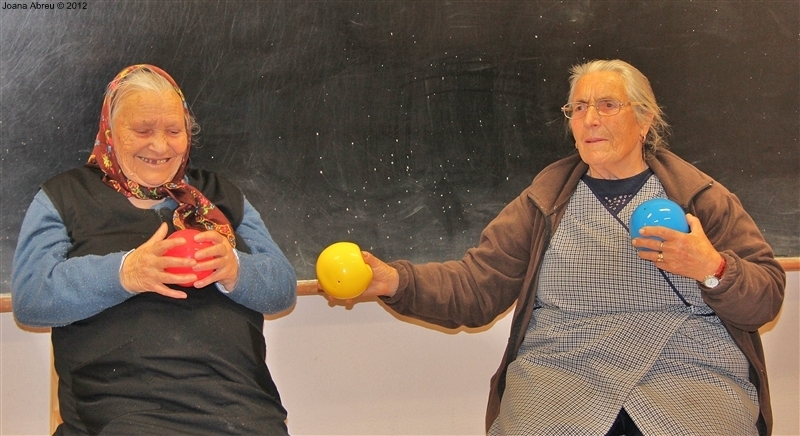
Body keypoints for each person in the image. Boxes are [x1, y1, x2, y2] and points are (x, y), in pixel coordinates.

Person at [353, 59, 785, 435]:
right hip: (563, 374)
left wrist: (713, 268)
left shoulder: (700, 198)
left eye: (607, 105)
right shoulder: (544, 203)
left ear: (644, 120)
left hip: (688, 374)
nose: (589, 119)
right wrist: (396, 281)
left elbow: (765, 297)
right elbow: (476, 286)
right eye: (578, 107)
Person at [12, 64, 297, 435]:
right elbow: (32, 299)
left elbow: (282, 289)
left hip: (240, 410)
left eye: (174, 131)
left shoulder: (221, 196)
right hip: (121, 413)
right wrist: (125, 273)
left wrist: (235, 270)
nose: (160, 146)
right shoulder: (65, 197)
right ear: (111, 133)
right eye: (143, 131)